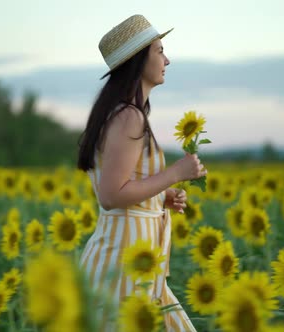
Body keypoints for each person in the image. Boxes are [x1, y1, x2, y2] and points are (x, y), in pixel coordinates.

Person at [77, 14, 206, 331]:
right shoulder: (128, 117)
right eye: (159, 51)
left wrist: (160, 196)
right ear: (138, 60)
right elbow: (110, 196)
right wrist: (174, 174)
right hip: (122, 266)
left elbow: (123, 186)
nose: (167, 60)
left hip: (136, 264)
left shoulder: (122, 113)